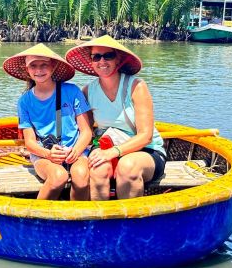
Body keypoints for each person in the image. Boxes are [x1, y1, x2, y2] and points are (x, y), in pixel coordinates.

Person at [65, 36, 167, 200]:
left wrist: (114, 152)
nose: (102, 61)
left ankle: (129, 224)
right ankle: (100, 221)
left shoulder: (136, 86)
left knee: (127, 167)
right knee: (97, 169)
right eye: (96, 57)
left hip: (146, 151)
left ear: (118, 59)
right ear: (91, 61)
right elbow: (85, 130)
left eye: (108, 56)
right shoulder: (87, 91)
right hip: (107, 146)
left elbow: (146, 136)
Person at [2, 44, 92, 200]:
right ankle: (35, 219)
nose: (39, 70)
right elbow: (30, 143)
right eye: (33, 66)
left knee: (81, 176)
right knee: (58, 176)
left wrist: (75, 151)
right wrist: (49, 154)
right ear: (27, 70)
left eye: (44, 65)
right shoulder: (25, 101)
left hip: (75, 151)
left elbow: (86, 131)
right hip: (43, 154)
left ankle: (78, 218)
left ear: (53, 67)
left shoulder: (71, 91)